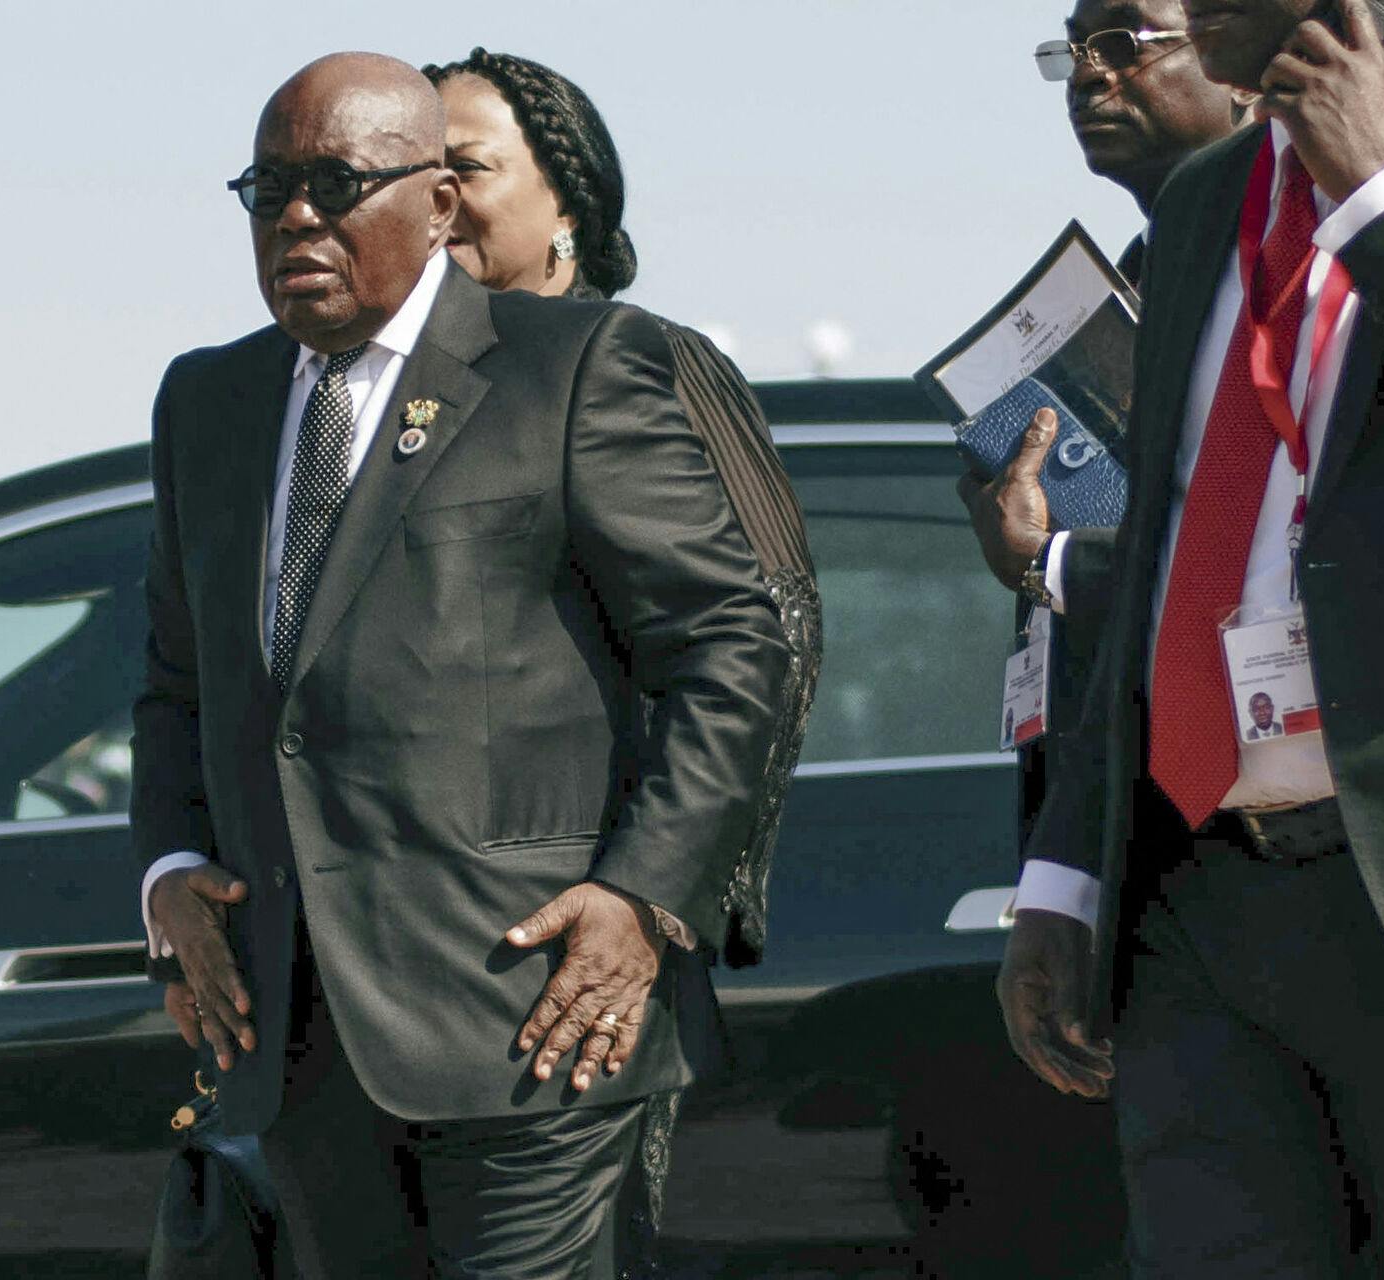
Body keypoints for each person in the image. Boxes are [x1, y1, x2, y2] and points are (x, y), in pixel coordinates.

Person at [132, 52, 784, 1279]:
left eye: (336, 184)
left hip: (531, 1017)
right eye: (267, 189)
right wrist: (171, 867)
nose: (296, 218)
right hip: (301, 1039)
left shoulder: (576, 365)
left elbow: (730, 645)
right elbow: (178, 684)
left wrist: (645, 893)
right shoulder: (208, 403)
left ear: (437, 204)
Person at [996, 0, 1384, 1271]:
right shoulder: (1201, 203)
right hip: (1196, 893)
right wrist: (1067, 871)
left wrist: (1381, 199)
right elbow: (1170, 546)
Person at [421, 46, 820, 1270]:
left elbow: (775, 628)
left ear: (571, 204)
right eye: (410, 172)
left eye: (467, 169)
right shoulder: (385, 406)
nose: (431, 202)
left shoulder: (639, 358)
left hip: (597, 957)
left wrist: (656, 899)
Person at [960, 0, 1244, 863]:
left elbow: (1263, 549)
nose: (1089, 71)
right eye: (1075, 48)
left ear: (1237, 54)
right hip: (1128, 813)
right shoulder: (1128, 282)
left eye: (1123, 41)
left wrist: (1049, 562)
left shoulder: (1305, 279)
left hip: (1280, 819)